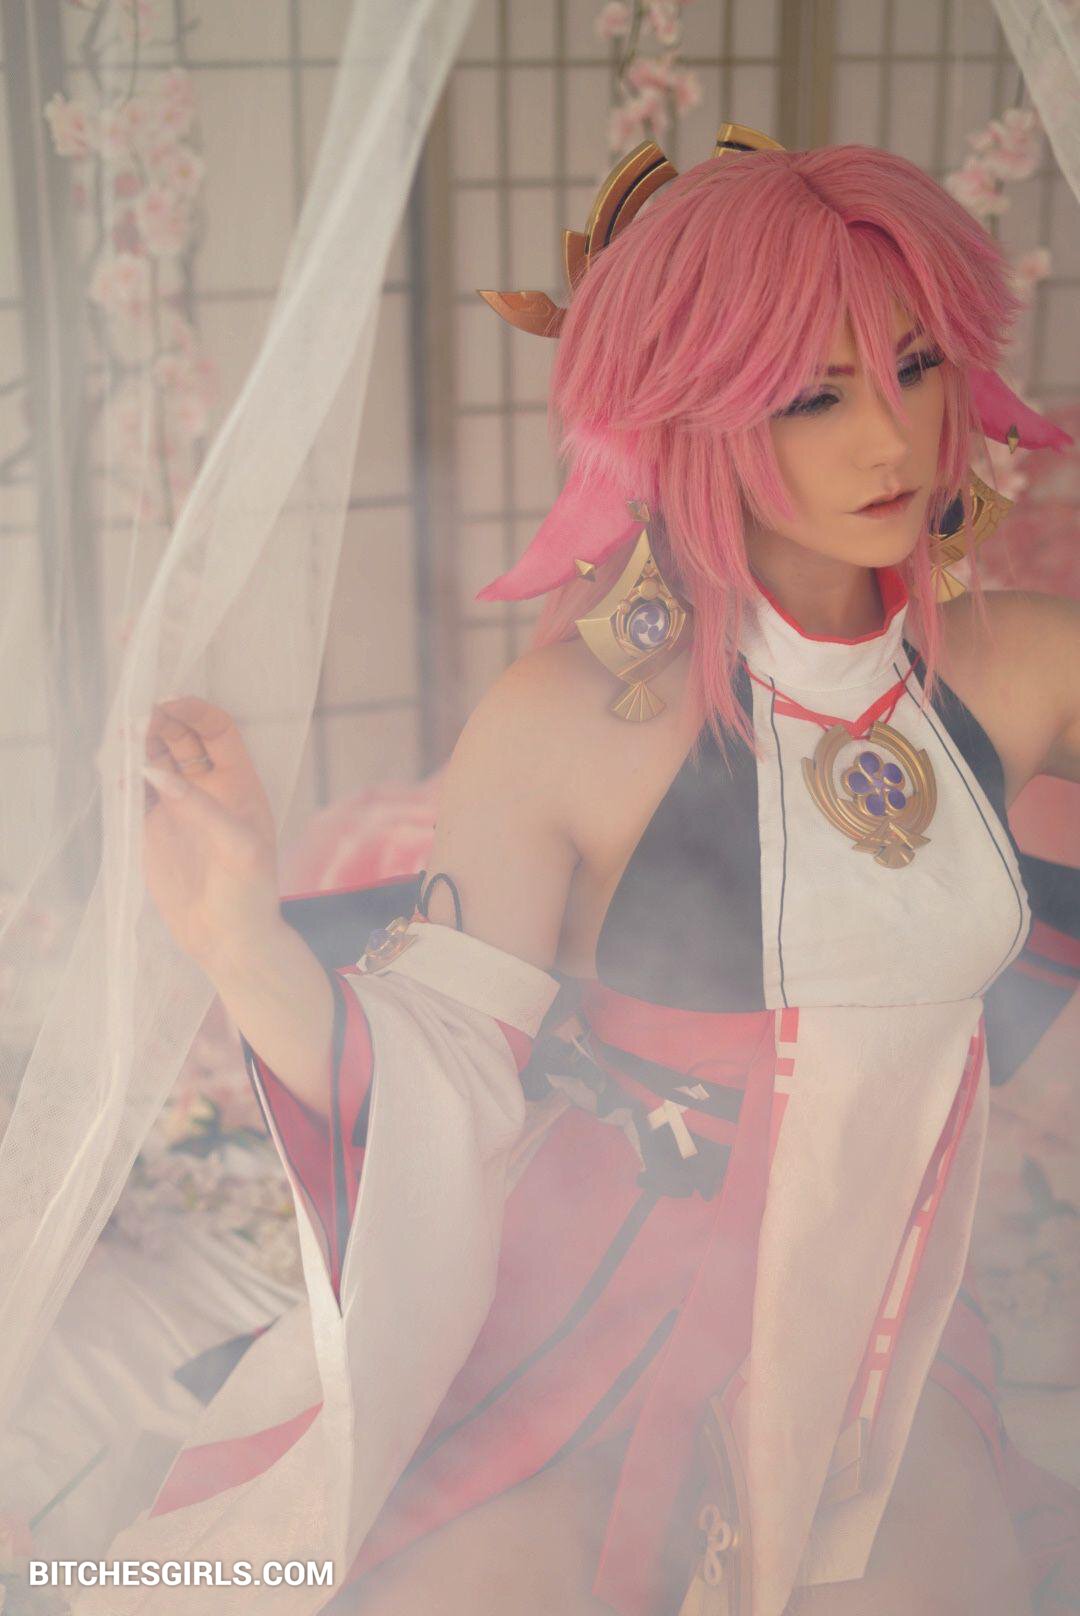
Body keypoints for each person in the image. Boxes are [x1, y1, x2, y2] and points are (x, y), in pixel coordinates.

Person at [131, 137, 1079, 1616]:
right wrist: (238, 933)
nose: (892, 438)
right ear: (689, 417)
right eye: (814, 395)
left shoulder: (1028, 667)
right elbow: (450, 1067)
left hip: (884, 1316)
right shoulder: (567, 721)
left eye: (915, 368)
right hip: (591, 1303)